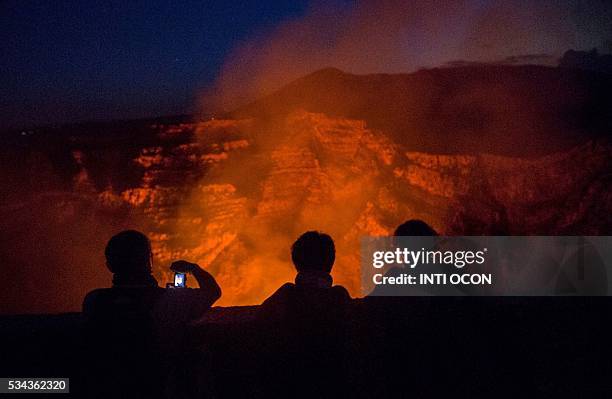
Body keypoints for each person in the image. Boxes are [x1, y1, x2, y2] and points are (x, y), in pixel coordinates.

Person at [80, 230, 221, 398]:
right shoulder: (170, 301)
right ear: (149, 261)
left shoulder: (94, 300)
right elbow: (212, 291)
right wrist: (193, 268)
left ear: (109, 265)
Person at [258, 231, 351, 397]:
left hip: (291, 383)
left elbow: (260, 320)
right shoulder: (340, 297)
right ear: (331, 262)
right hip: (335, 383)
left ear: (296, 262)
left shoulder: (286, 295)